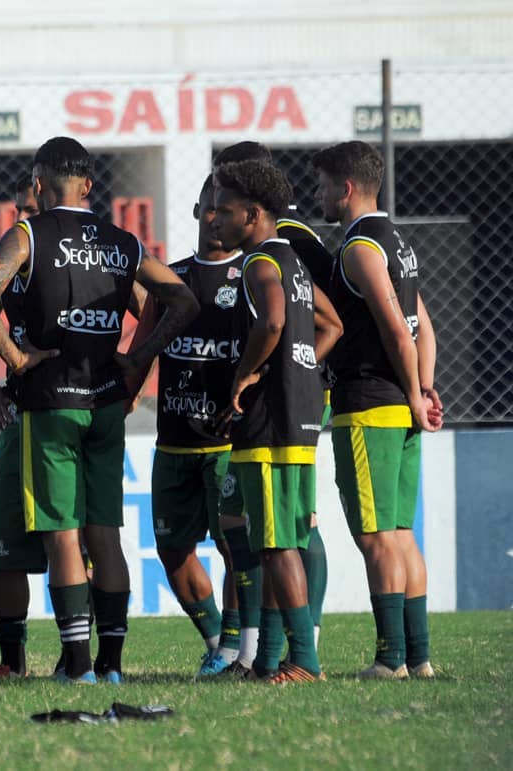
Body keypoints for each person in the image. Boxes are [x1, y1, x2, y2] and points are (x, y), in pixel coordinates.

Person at [0, 137, 199, 684]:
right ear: (90, 186)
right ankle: (112, 664)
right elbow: (184, 301)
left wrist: (17, 358)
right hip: (105, 405)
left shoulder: (29, 233)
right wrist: (137, 356)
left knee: (63, 536)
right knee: (105, 535)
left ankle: (76, 665)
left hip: (50, 404)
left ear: (39, 183)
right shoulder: (124, 243)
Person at [313, 140, 441, 679]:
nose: (316, 195)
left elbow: (395, 325)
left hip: (369, 404)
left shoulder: (361, 248)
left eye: (321, 185)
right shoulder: (398, 242)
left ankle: (390, 660)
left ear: (345, 189)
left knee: (375, 537)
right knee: (400, 532)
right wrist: (425, 389)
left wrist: (414, 394)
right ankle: (419, 657)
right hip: (401, 405)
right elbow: (423, 325)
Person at [210, 159, 342, 683]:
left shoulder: (260, 264)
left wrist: (248, 376)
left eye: (224, 210)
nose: (215, 219)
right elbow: (328, 323)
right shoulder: (294, 263)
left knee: (277, 543)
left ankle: (303, 663)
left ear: (254, 213)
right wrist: (302, 364)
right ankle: (266, 661)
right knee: (275, 538)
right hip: (298, 413)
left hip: (269, 424)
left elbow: (271, 321)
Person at [126, 174, 244, 678]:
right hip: (172, 443)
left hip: (227, 443)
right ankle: (218, 641)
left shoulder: (255, 276)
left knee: (233, 545)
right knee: (173, 550)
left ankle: (242, 643)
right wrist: (123, 401)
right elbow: (142, 352)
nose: (215, 217)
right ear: (197, 211)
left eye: (226, 208)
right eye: (209, 208)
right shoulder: (169, 281)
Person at [0, 175, 44, 679]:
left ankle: (79, 656)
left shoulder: (88, 256)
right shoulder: (14, 260)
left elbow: (142, 308)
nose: (23, 218)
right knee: (3, 548)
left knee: (80, 543)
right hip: (19, 418)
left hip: (70, 419)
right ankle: (11, 659)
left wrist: (125, 376)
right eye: (18, 209)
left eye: (31, 209)